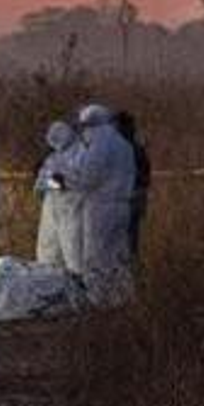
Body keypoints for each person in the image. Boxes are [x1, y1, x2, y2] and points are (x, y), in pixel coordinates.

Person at [70, 104, 137, 307]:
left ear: (90, 124)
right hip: (123, 205)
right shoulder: (123, 144)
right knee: (118, 255)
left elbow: (88, 177)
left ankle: (98, 301)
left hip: (100, 206)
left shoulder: (100, 144)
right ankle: (123, 299)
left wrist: (68, 180)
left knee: (95, 256)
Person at [35, 121, 84, 273]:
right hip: (53, 212)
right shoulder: (53, 157)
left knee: (74, 258)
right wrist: (49, 182)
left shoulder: (82, 154)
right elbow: (41, 182)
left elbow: (72, 182)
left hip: (72, 212)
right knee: (48, 255)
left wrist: (51, 182)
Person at [114, 111, 151, 261]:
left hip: (127, 199)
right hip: (135, 197)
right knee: (131, 240)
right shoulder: (136, 146)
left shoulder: (124, 147)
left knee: (124, 242)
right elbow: (146, 175)